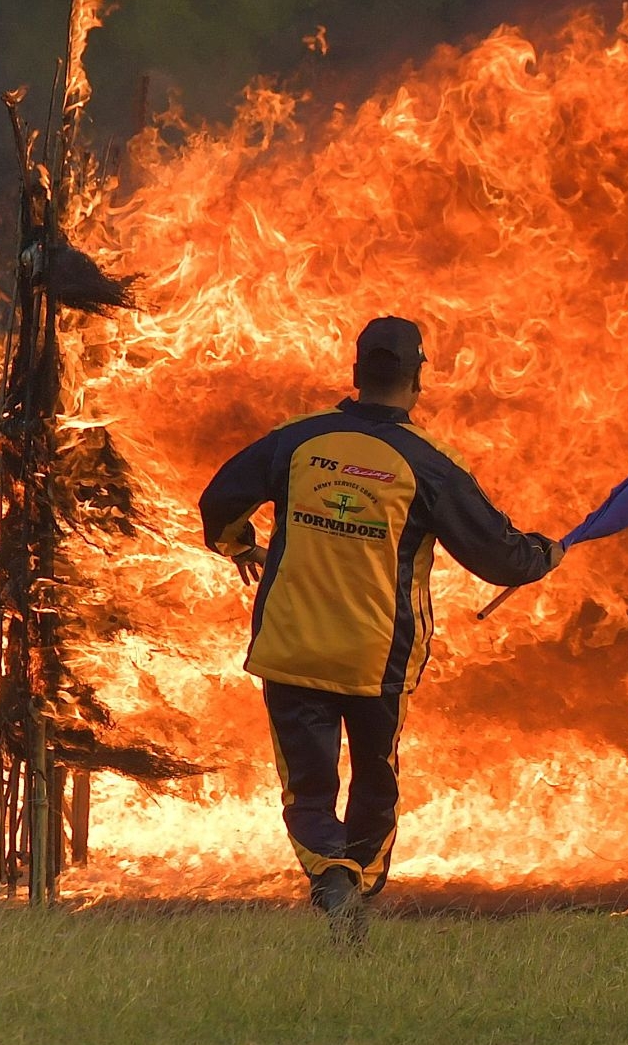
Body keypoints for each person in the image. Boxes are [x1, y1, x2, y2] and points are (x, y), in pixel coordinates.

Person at [197, 316, 561, 942]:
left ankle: (333, 877)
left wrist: (239, 545)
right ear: (417, 380)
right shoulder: (427, 462)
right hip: (377, 658)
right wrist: (542, 556)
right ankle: (359, 884)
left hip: (293, 649)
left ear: (357, 373)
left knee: (308, 790)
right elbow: (498, 555)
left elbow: (219, 501)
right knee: (376, 779)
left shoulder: (298, 440)